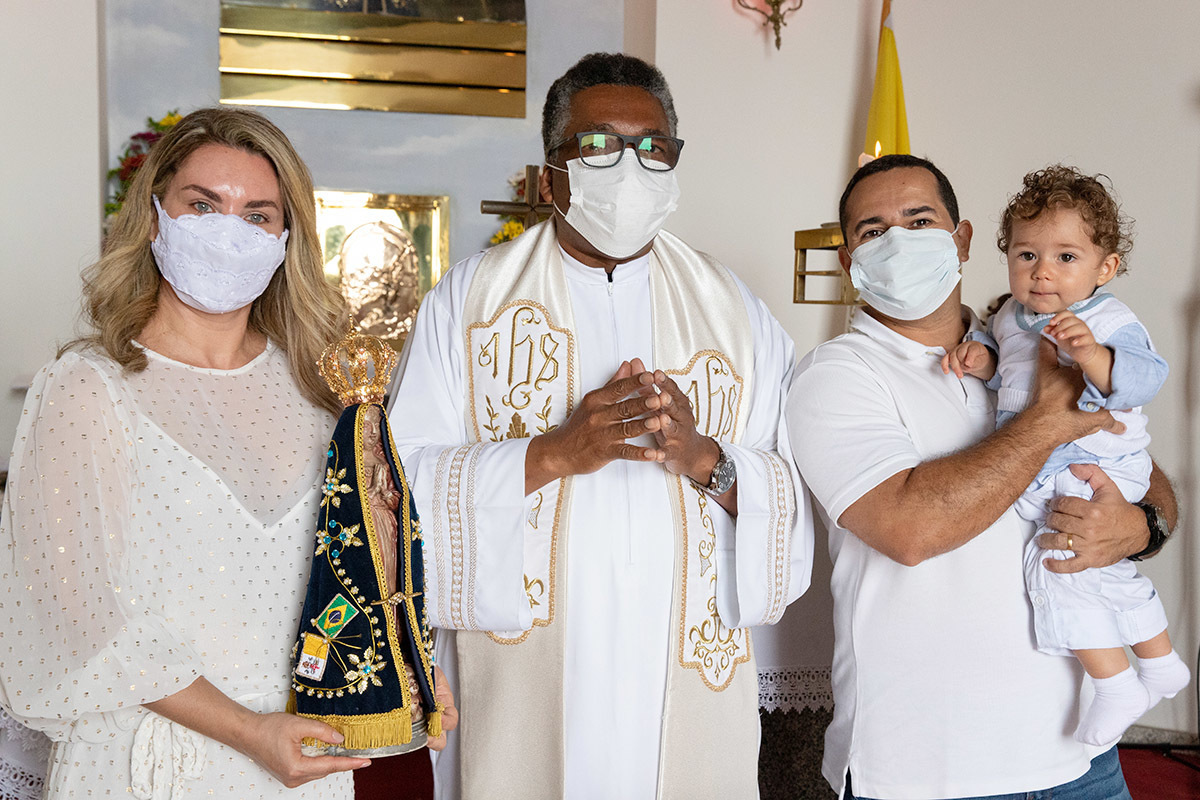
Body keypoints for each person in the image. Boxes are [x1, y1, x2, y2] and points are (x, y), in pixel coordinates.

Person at [387, 52, 813, 799]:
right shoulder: (469, 301)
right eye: (597, 146)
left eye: (652, 148)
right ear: (549, 175)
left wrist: (707, 457)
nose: (629, 169)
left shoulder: (735, 313)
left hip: (674, 665)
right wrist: (550, 454)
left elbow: (798, 490)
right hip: (539, 674)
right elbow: (398, 484)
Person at [0, 107, 455, 800]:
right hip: (147, 764)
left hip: (300, 761)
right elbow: (80, 619)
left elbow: (355, 566)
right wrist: (246, 730)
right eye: (203, 205)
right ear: (154, 217)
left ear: (285, 238)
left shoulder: (314, 392)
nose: (228, 231)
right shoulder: (88, 389)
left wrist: (408, 665)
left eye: (257, 215)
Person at [786, 153, 1178, 800]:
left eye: (919, 219)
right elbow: (908, 528)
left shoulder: (1022, 341)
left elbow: (1138, 462)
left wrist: (1139, 525)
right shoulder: (837, 376)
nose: (900, 242)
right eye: (872, 232)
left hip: (1080, 755)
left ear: (961, 239)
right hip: (932, 768)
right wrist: (1050, 417)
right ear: (848, 261)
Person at [942, 165, 1190, 747]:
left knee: (1059, 566)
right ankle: (1159, 660)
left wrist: (1094, 356)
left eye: (1066, 258)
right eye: (1026, 255)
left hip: (1095, 459)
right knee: (1104, 567)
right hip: (1051, 461)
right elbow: (1010, 364)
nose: (1043, 272)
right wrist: (982, 359)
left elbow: (1144, 378)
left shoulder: (1106, 320)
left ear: (1106, 268)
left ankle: (1114, 681)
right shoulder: (1007, 316)